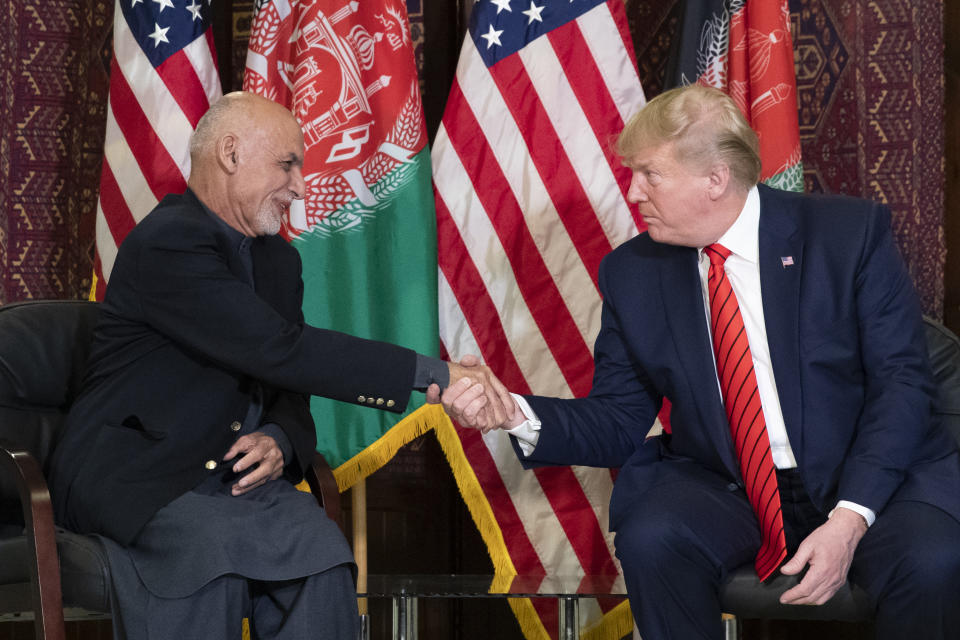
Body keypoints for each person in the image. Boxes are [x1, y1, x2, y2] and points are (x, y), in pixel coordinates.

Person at [442, 84, 960, 639]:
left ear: (715, 179)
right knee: (653, 537)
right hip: (733, 487)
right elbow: (618, 420)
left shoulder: (846, 236)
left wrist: (850, 518)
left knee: (931, 561)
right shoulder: (633, 272)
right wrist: (513, 413)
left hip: (866, 474)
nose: (633, 191)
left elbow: (902, 386)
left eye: (649, 174)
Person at [48, 91, 512, 640]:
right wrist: (436, 374)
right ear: (230, 153)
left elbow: (289, 383)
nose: (300, 186)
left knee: (322, 553)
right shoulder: (167, 244)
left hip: (231, 478)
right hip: (141, 473)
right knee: (210, 559)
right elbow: (280, 347)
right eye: (287, 164)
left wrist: (280, 438)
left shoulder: (278, 260)